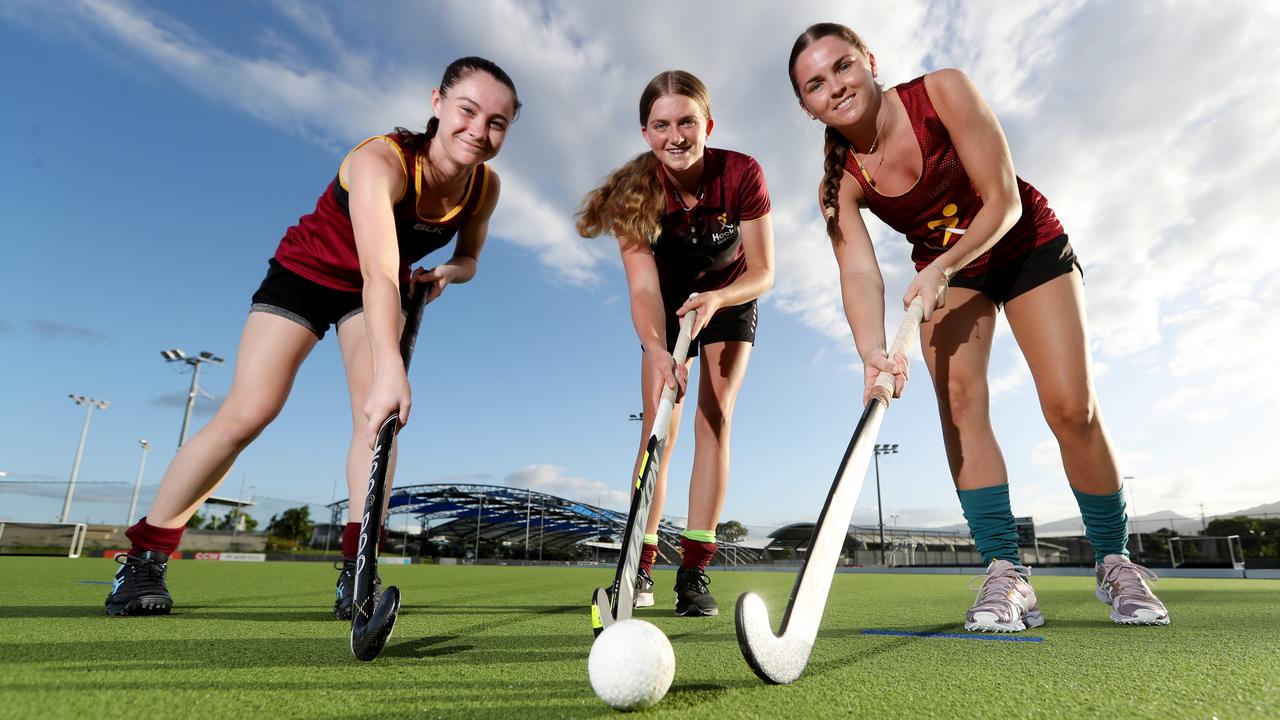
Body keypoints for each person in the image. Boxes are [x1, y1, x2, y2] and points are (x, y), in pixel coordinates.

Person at [105, 57, 520, 618]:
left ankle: (359, 571)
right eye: (467, 110)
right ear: (437, 104)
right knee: (250, 411)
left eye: (497, 122)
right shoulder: (382, 161)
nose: (479, 129)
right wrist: (392, 369)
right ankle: (144, 560)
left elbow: (469, 257)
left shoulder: (483, 187)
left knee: (376, 424)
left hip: (377, 290)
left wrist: (447, 272)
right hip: (307, 275)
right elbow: (375, 272)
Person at [787, 23, 1168, 630]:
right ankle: (1005, 573)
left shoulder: (943, 91)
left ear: (869, 62)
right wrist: (871, 352)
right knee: (961, 403)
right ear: (807, 108)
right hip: (950, 270)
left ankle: (1117, 561)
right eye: (815, 84)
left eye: (842, 66)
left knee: (1071, 407)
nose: (834, 86)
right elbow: (858, 274)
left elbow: (1003, 199)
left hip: (1022, 245)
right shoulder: (841, 187)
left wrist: (940, 266)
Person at [577, 70, 775, 617]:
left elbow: (763, 271)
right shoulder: (632, 195)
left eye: (687, 121)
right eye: (662, 124)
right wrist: (659, 351)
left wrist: (717, 298)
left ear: (707, 123)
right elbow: (642, 289)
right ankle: (638, 567)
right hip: (665, 308)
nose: (677, 135)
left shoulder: (742, 173)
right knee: (658, 425)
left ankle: (693, 572)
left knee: (715, 419)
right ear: (646, 132)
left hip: (730, 298)